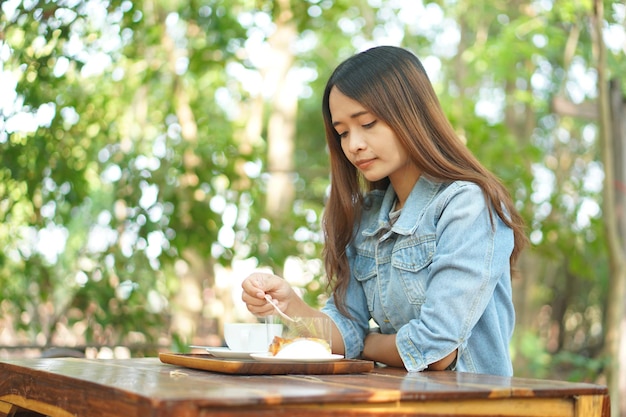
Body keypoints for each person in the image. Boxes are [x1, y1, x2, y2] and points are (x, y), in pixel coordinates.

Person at [241, 45, 527, 376]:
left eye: (368, 123)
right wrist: (291, 304)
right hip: (397, 402)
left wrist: (364, 344)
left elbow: (435, 350)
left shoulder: (468, 205)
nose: (353, 145)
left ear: (412, 114)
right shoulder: (364, 217)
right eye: (342, 132)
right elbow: (345, 333)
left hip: (470, 406)